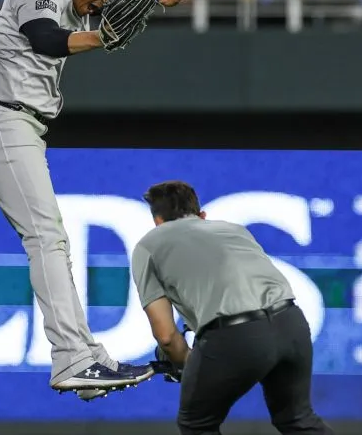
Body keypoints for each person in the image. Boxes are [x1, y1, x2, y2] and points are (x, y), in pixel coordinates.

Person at [0, 0, 198, 395]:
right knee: (46, 239)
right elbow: (45, 39)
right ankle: (73, 357)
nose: (105, 0)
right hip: (1, 118)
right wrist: (104, 35)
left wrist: (155, 1)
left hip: (13, 120)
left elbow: (110, 17)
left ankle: (84, 356)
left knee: (32, 241)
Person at [132, 181, 334, 435]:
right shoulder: (234, 230)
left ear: (157, 221)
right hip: (292, 323)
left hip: (237, 336)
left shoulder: (147, 245)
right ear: (202, 216)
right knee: (297, 419)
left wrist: (187, 364)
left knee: (196, 425)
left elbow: (166, 335)